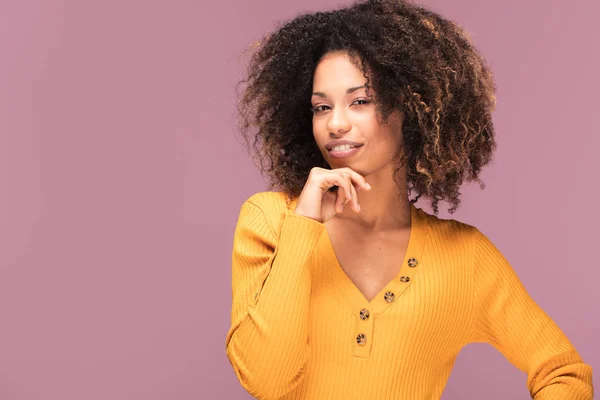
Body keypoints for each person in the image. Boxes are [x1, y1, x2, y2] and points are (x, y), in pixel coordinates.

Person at [225, 0, 594, 398]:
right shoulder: (270, 221)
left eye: (360, 101)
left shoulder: (464, 257)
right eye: (321, 107)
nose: (335, 123)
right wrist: (304, 228)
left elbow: (563, 372)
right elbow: (267, 381)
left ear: (412, 109)